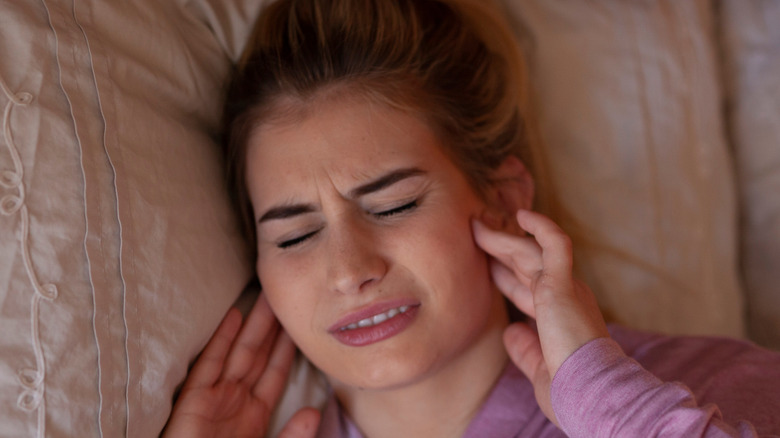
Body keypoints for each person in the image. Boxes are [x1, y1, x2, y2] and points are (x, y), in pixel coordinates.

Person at [163, 0, 780, 437]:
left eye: (393, 204)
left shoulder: (721, 390)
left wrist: (602, 404)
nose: (350, 270)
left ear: (504, 200)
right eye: (295, 235)